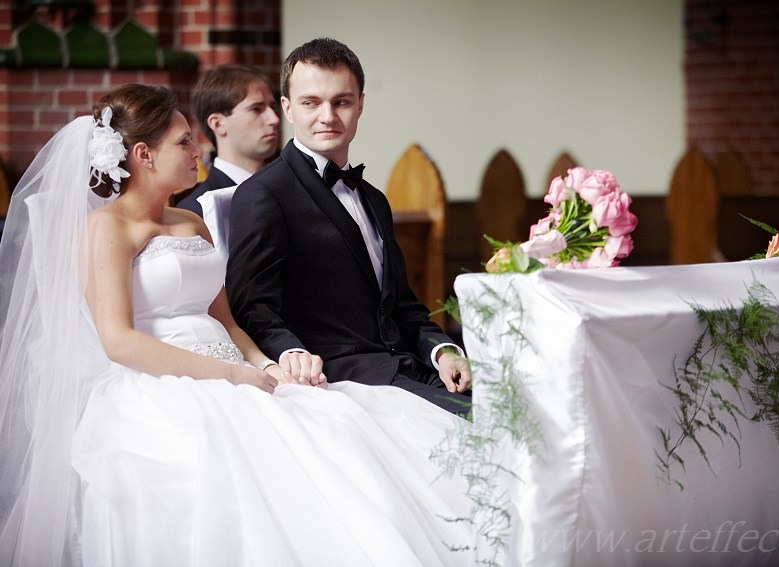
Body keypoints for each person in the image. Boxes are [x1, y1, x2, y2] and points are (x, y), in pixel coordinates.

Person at [0, 84, 472, 566]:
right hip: (160, 384)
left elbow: (224, 320)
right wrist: (229, 375)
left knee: (339, 432)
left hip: (241, 372)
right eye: (183, 142)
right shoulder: (108, 228)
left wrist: (268, 364)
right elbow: (118, 340)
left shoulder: (191, 223)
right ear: (143, 154)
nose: (197, 149)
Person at [227, 38, 471, 413]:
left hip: (413, 368)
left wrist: (444, 351)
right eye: (311, 103)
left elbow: (402, 306)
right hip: (342, 378)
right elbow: (252, 308)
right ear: (288, 109)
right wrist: (291, 353)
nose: (327, 116)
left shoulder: (373, 198)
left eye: (341, 101)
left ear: (360, 104)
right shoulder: (263, 194)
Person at [175, 64, 280, 216]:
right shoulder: (197, 210)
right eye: (256, 108)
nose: (274, 119)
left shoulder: (289, 188)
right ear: (218, 124)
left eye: (273, 106)